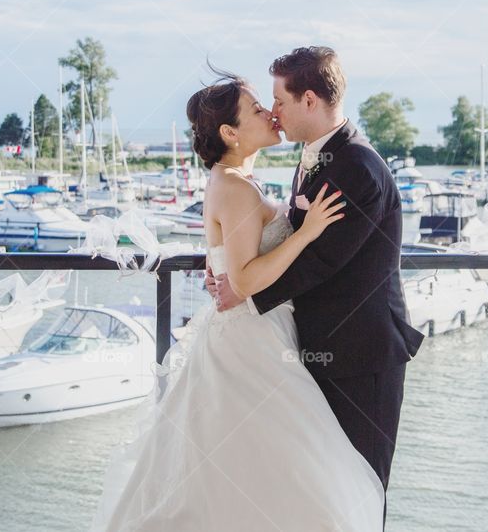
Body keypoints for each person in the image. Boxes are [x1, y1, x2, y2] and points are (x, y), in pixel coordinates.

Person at [92, 66, 385, 531]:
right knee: (289, 471)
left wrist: (228, 263)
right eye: (256, 108)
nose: (270, 113)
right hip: (252, 339)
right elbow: (246, 282)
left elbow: (235, 263)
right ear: (230, 132)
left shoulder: (232, 180)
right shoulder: (234, 187)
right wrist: (305, 233)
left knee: (250, 466)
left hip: (257, 331)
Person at [209, 46, 425, 513]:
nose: (274, 112)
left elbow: (322, 260)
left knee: (359, 490)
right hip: (316, 350)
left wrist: (243, 291)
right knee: (319, 492)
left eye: (280, 101)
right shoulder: (318, 155)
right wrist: (231, 272)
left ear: (310, 100)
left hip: (359, 354)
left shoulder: (358, 167)